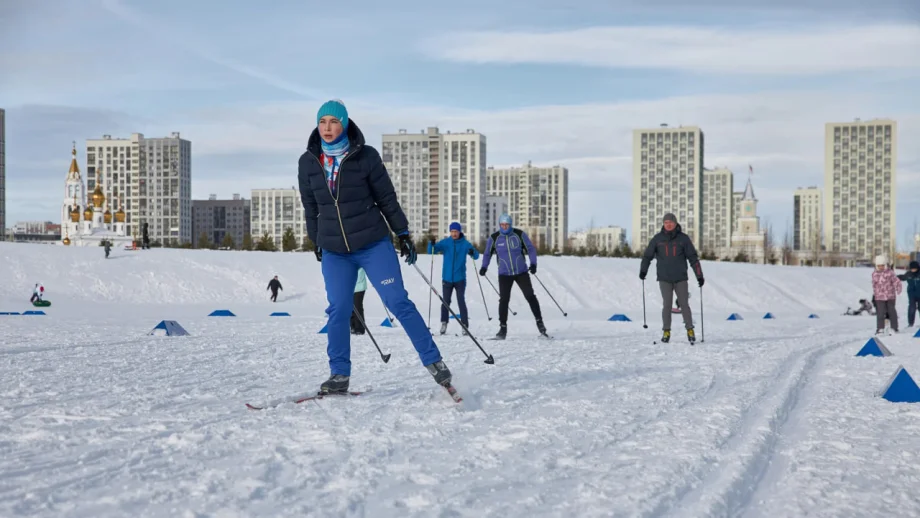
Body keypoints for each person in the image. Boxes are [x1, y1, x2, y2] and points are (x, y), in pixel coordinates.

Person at [298, 99, 451, 394]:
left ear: (344, 124)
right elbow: (310, 206)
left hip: (372, 244)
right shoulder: (308, 161)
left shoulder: (365, 156)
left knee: (397, 301)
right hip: (334, 250)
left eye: (334, 122)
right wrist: (316, 239)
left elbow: (386, 198)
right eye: (322, 122)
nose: (327, 128)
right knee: (339, 309)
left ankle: (435, 361)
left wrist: (402, 233)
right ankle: (339, 374)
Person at [639, 212, 704, 344]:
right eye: (666, 222)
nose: (668, 225)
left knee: (684, 305)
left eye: (670, 222)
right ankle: (666, 331)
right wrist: (643, 271)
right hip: (664, 278)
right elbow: (647, 256)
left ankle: (690, 330)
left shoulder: (683, 239)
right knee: (667, 305)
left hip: (681, 278)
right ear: (663, 224)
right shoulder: (657, 239)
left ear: (675, 223)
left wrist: (699, 276)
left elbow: (693, 258)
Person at [479, 213, 546, 339]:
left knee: (530, 296)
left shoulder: (519, 234)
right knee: (504, 300)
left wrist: (533, 264)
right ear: (499, 225)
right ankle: (502, 329)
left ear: (510, 224)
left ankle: (540, 323)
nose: (504, 227)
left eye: (507, 224)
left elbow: (531, 249)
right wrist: (484, 267)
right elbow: (487, 253)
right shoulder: (494, 238)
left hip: (521, 272)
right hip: (504, 274)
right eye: (502, 225)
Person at [428, 222, 480, 335]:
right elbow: (431, 251)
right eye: (452, 231)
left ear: (459, 231)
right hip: (447, 278)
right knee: (445, 302)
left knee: (461, 301)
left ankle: (464, 325)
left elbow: (476, 256)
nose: (454, 234)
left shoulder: (465, 244)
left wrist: (473, 252)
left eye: (456, 231)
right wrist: (431, 244)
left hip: (460, 278)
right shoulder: (446, 243)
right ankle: (444, 323)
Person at [872, 254, 902, 334]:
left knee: (892, 312)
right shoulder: (874, 274)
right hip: (879, 297)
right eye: (879, 266)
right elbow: (874, 285)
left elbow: (897, 281)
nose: (881, 267)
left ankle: (894, 327)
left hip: (890, 296)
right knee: (880, 313)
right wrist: (875, 294)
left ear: (885, 265)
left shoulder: (890, 273)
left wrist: (898, 288)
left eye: (882, 265)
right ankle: (880, 328)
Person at [897, 260, 920, 328]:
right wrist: (895, 277)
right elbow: (903, 277)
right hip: (911, 294)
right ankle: (910, 323)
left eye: (914, 268)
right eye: (912, 269)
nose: (913, 270)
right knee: (912, 308)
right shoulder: (909, 274)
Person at [350, 268, 367, 335]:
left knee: (357, 306)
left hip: (359, 287)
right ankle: (353, 326)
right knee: (350, 307)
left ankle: (360, 328)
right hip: (349, 287)